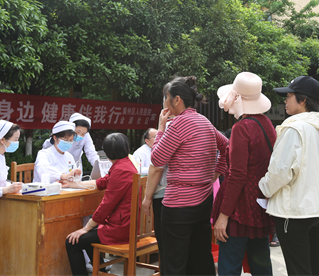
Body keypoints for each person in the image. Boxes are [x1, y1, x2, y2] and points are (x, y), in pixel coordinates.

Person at [142, 76, 228, 276]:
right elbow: (227, 147)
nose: (164, 102)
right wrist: (214, 173)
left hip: (178, 204)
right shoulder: (204, 121)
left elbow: (157, 158)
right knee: (200, 255)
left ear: (177, 100)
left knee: (174, 261)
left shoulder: (178, 124)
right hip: (204, 199)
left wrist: (161, 128)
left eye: (166, 97)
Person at [258, 75, 319, 276]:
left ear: (303, 99)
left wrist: (263, 187)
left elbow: (280, 173)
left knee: (298, 268)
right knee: (314, 265)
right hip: (313, 209)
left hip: (293, 211)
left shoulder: (294, 128)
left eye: (288, 96)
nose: (285, 101)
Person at [212, 72, 276, 276]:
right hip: (260, 206)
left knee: (229, 267)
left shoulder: (241, 128)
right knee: (262, 265)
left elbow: (237, 175)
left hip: (239, 210)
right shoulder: (266, 124)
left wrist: (223, 216)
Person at [64, 133, 137, 276]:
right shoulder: (125, 164)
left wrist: (85, 228)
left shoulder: (120, 169)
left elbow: (106, 204)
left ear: (107, 153)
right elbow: (101, 183)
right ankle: (101, 270)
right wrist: (73, 184)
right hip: (126, 223)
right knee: (90, 229)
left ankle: (98, 270)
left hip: (120, 228)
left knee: (72, 242)